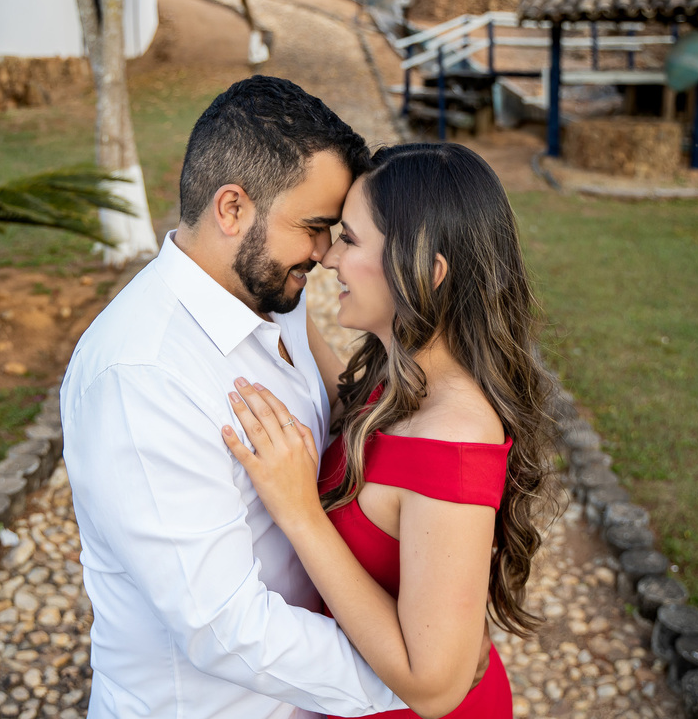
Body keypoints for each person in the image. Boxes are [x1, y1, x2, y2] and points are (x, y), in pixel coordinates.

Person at [61, 75, 410, 719]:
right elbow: (222, 628)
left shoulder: (271, 297)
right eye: (313, 226)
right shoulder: (142, 376)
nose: (326, 253)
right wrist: (407, 675)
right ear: (231, 209)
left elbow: (342, 413)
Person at [222, 142, 560, 719]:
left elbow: (435, 688)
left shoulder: (451, 440)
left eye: (349, 239)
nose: (327, 258)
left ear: (426, 274)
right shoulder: (404, 372)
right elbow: (332, 387)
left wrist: (300, 512)